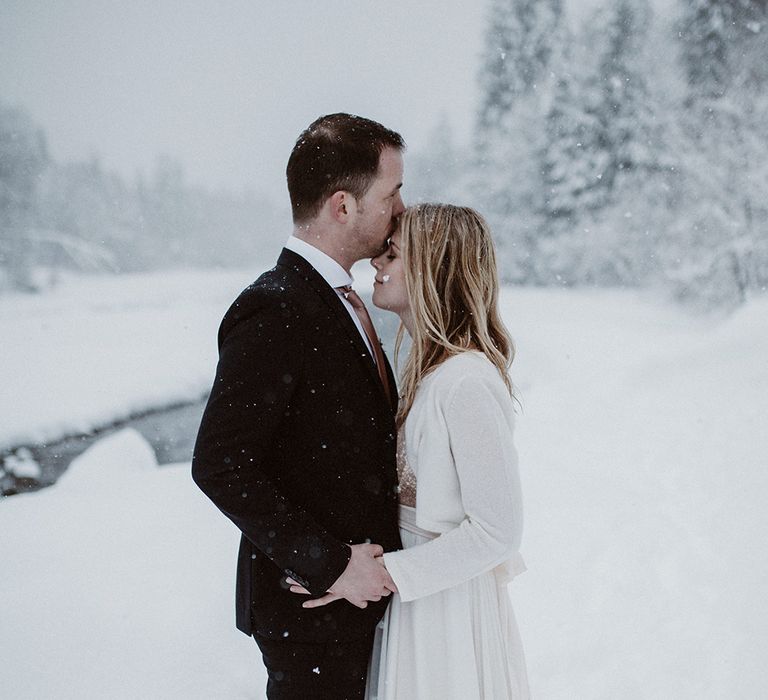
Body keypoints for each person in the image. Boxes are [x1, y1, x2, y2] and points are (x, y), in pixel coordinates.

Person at [192, 113, 407, 700]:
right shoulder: (275, 307)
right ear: (343, 206)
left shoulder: (347, 301)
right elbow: (221, 463)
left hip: (364, 605)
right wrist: (331, 564)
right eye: (392, 194)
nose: (401, 210)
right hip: (312, 614)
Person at [292, 203, 530, 699]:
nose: (376, 264)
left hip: (445, 608)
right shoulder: (425, 372)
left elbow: (497, 530)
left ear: (433, 269)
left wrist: (384, 574)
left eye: (392, 254)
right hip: (414, 598)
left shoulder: (466, 381)